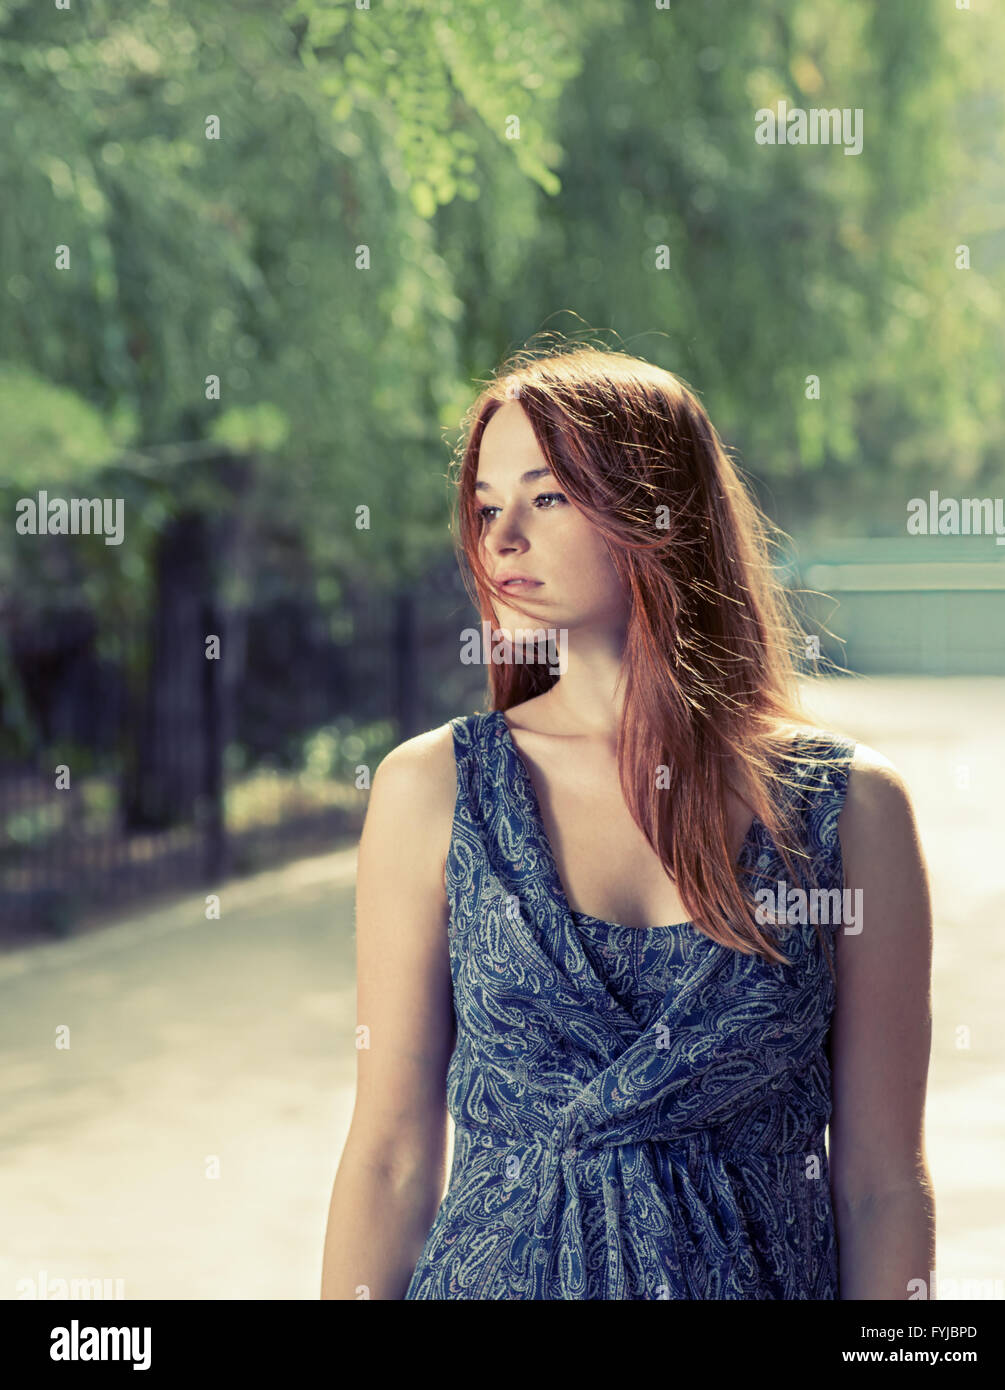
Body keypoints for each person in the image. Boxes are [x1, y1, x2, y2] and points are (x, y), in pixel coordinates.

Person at [320, 344, 935, 1300]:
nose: (501, 540)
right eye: (486, 507)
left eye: (547, 496)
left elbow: (881, 1187)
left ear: (656, 511)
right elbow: (391, 1159)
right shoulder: (433, 789)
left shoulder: (848, 809)